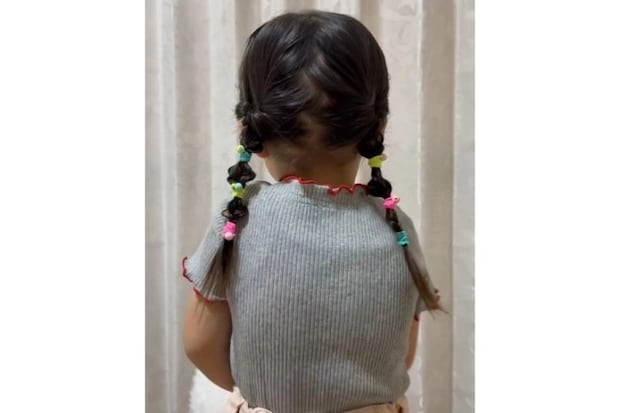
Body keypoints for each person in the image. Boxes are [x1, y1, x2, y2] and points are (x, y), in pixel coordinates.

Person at [181, 10, 441, 413]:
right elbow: (401, 355)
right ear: (376, 130)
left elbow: (200, 344)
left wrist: (260, 390)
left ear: (254, 133)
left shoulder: (238, 219)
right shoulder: (395, 227)